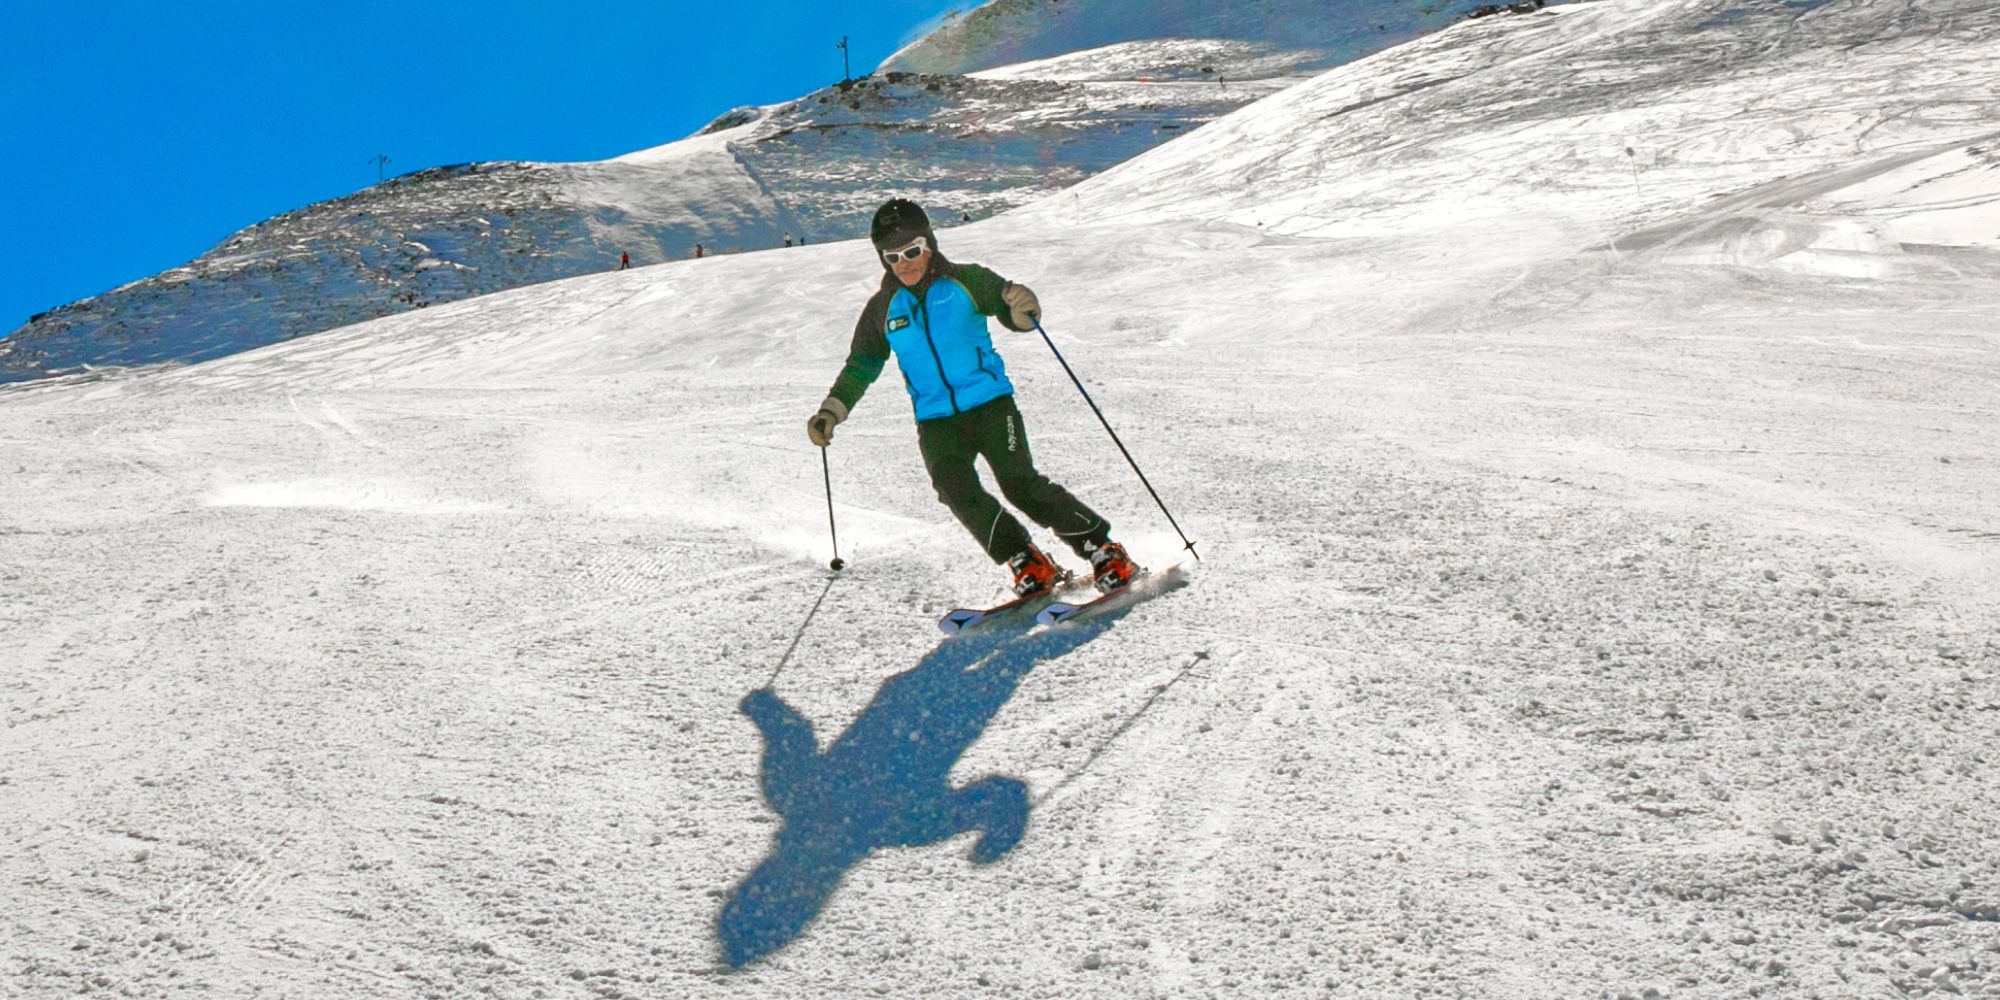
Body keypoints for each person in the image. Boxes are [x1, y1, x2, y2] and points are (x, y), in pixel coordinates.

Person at [806, 199, 1136, 596]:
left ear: (929, 244)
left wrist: (1021, 307)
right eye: (893, 256)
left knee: (1019, 484)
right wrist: (831, 411)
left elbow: (1008, 306)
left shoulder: (966, 280)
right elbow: (862, 365)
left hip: (991, 406)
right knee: (953, 487)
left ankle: (1103, 549)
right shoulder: (882, 310)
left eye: (912, 251)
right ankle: (1025, 559)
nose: (905, 263)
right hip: (936, 420)